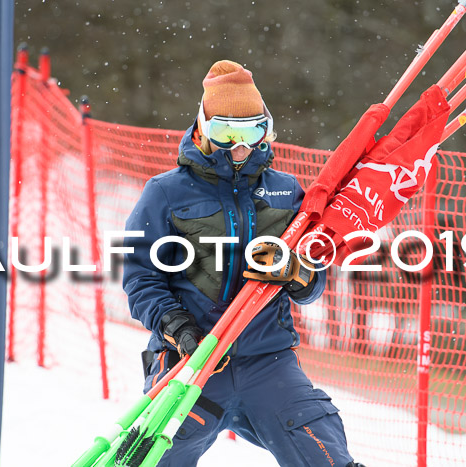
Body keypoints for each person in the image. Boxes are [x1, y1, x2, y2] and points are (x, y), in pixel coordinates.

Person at [123, 60, 364, 467]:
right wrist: (177, 327)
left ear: (266, 131)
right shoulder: (165, 193)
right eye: (225, 133)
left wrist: (298, 273)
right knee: (155, 457)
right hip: (192, 362)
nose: (239, 147)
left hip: (268, 363)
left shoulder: (287, 192)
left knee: (324, 454)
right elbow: (141, 278)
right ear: (202, 129)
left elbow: (314, 282)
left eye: (252, 131)